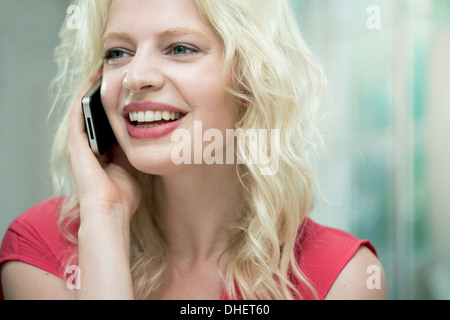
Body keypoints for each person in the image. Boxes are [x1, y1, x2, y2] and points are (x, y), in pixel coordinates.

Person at [0, 0, 387, 300]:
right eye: (117, 53)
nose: (136, 77)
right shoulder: (42, 250)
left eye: (179, 48)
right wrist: (104, 217)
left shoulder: (343, 279)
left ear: (252, 79)